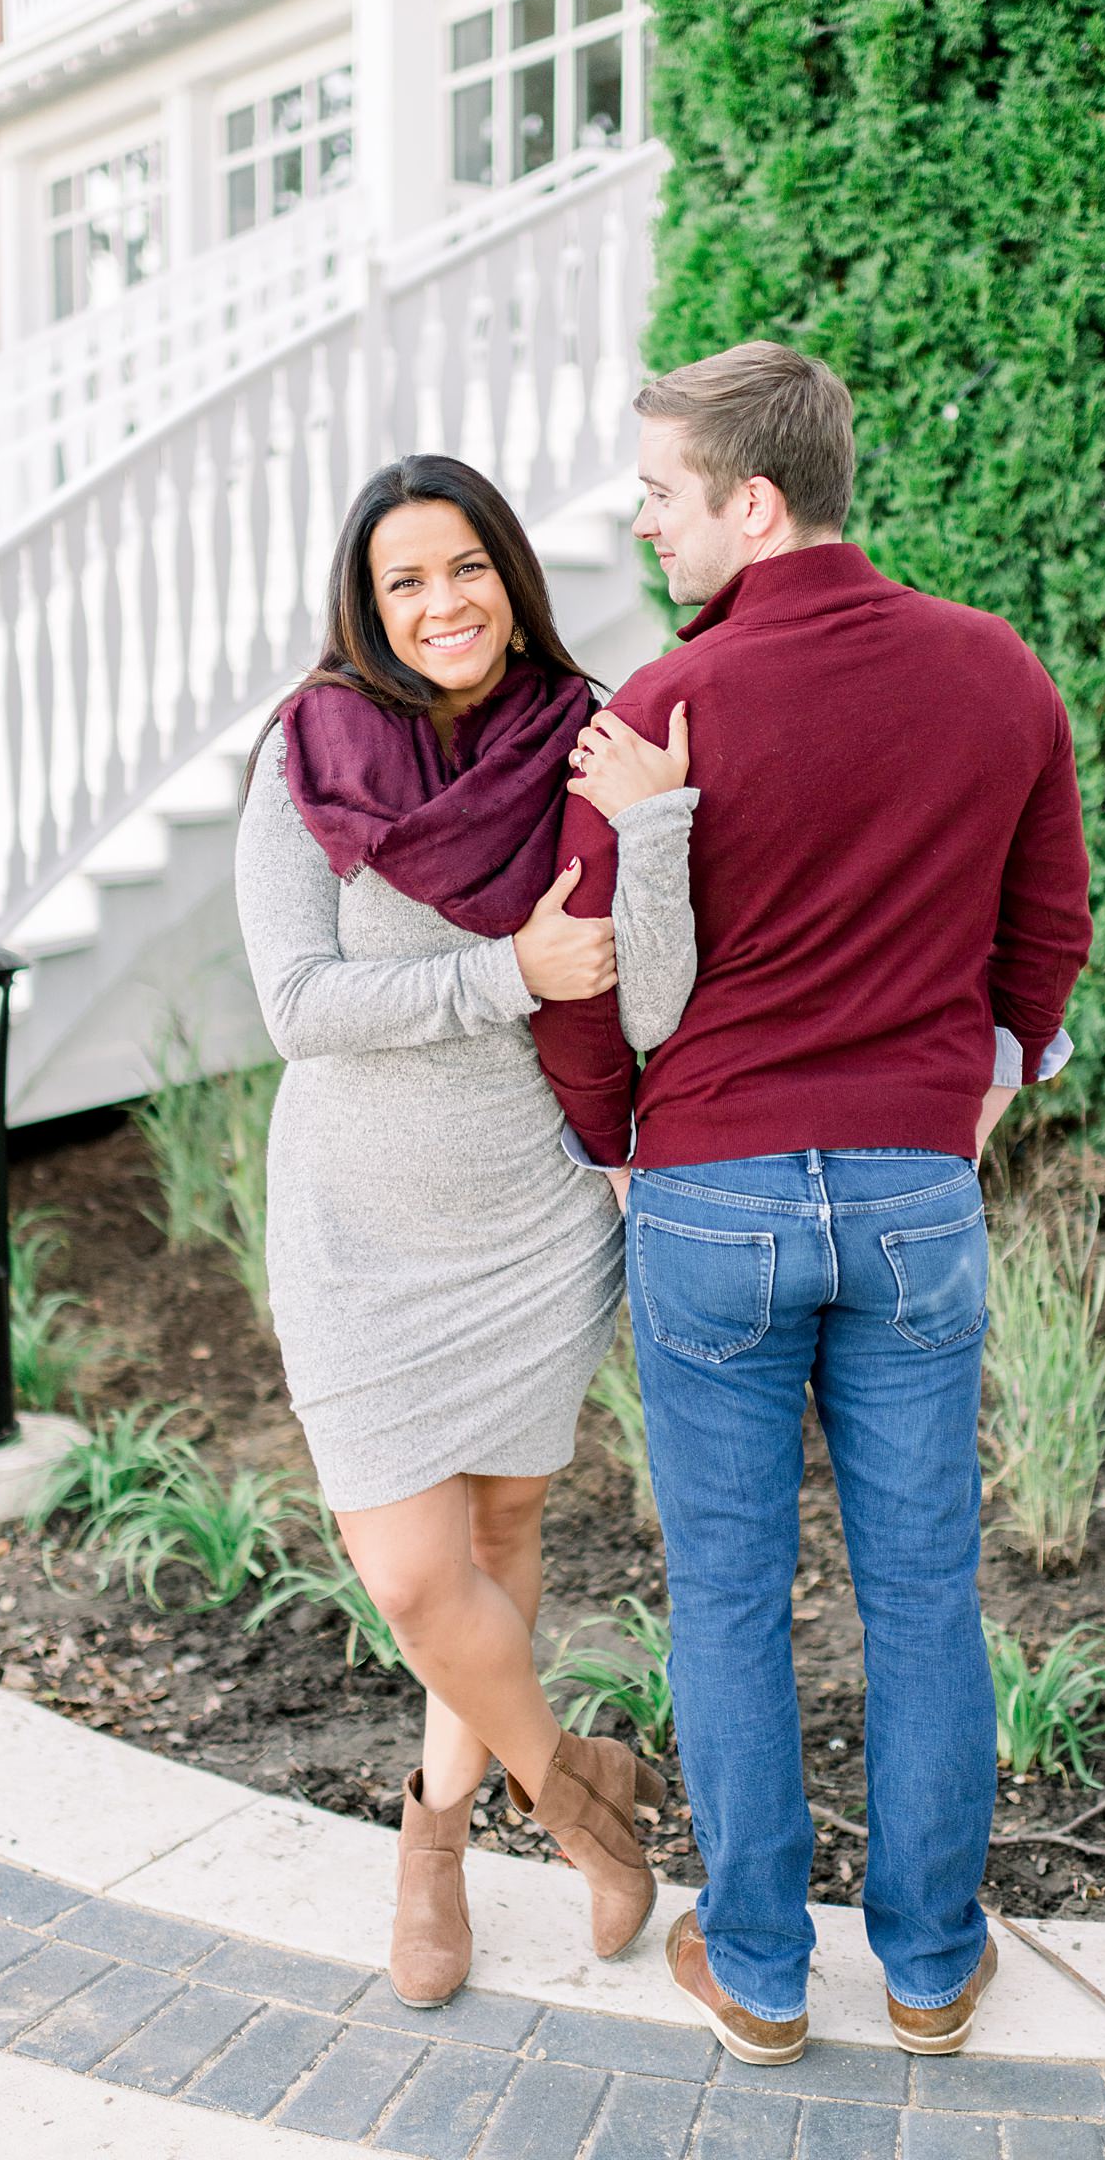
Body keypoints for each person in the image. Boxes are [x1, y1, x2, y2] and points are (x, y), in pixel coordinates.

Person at [534, 343, 1092, 2066]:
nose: (645, 527)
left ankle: (762, 1973)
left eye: (661, 496)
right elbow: (1048, 923)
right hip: (916, 1195)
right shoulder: (998, 674)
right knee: (925, 1587)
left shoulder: (665, 707)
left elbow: (576, 975)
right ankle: (930, 1967)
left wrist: (618, 1132)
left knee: (725, 1592)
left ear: (753, 503)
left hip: (711, 1197)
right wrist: (984, 1083)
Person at [234, 453, 697, 2012]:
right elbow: (297, 1006)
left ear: (512, 573)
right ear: (365, 608)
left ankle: (434, 1841)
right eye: (404, 581)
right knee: (419, 1580)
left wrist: (654, 844)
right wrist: (502, 973)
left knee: (501, 1541)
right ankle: (579, 1804)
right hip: (361, 1229)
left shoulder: (590, 738)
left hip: (536, 1213)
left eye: (465, 568)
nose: (442, 604)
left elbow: (648, 990)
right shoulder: (311, 754)